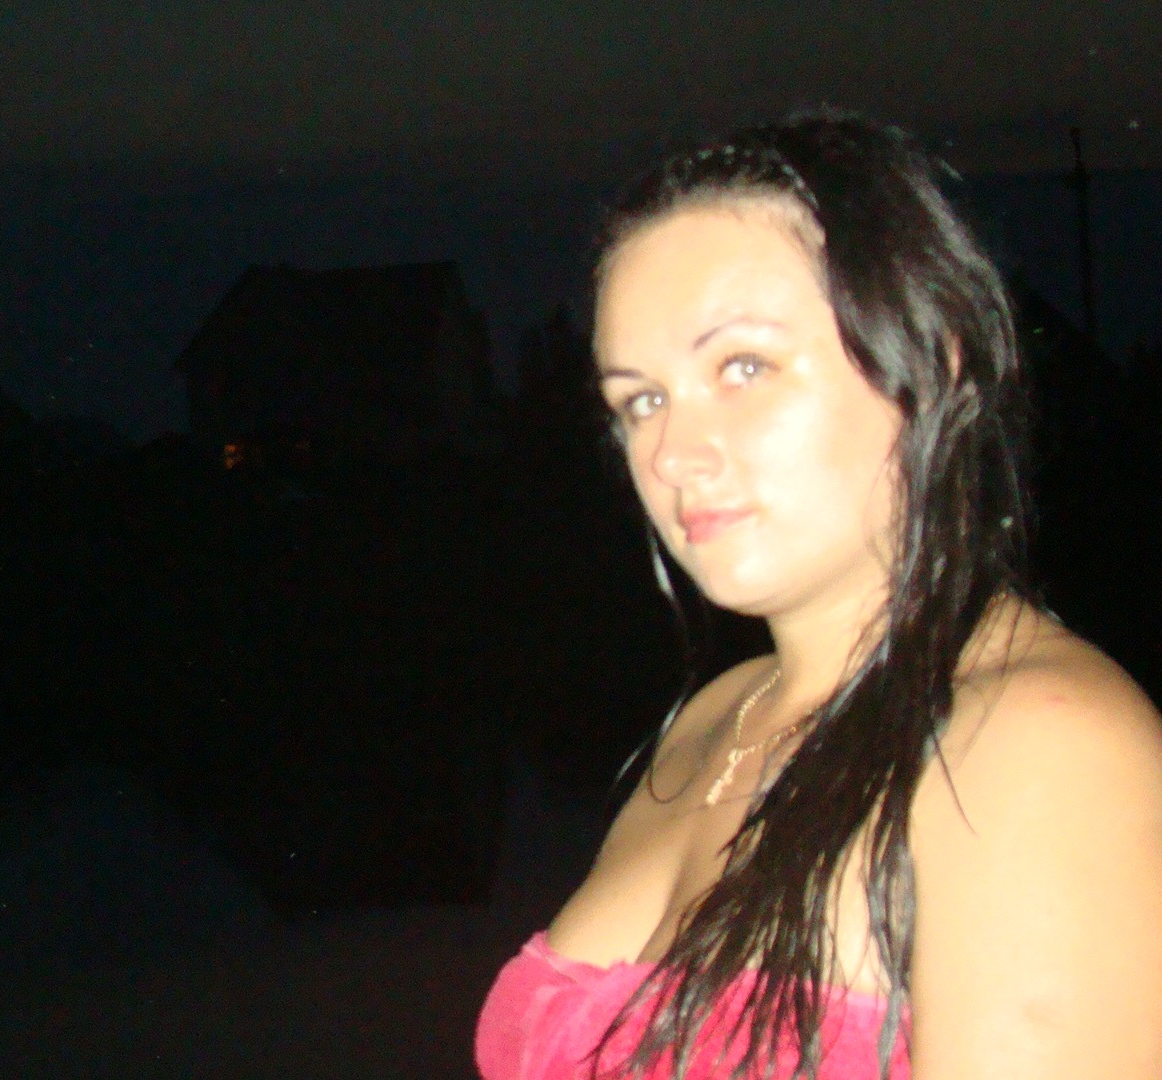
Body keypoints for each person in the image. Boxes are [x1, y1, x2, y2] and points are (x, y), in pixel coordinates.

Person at [475, 110, 1162, 1079]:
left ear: (931, 363)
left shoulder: (1039, 741)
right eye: (642, 399)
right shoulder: (717, 714)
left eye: (743, 367)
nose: (672, 454)